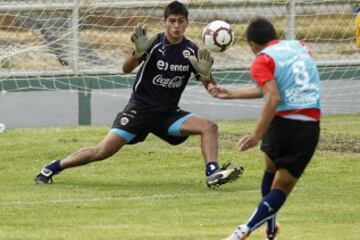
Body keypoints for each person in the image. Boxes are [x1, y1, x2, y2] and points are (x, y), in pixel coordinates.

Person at [34, 1, 243, 188]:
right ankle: (53, 167)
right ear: (164, 22)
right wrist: (138, 53)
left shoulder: (192, 51)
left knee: (209, 127)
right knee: (103, 151)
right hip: (139, 110)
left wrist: (207, 75)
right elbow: (125, 69)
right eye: (172, 21)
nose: (176, 26)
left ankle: (212, 172)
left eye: (181, 21)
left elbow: (213, 89)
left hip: (168, 115)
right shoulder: (152, 43)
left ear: (187, 23)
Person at [208, 18, 321, 240]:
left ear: (253, 45)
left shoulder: (262, 60)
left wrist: (257, 135)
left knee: (271, 170)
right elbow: (275, 89)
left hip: (280, 125)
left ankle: (259, 229)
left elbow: (272, 94)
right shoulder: (301, 46)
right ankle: (254, 229)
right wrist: (231, 93)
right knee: (282, 186)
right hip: (307, 125)